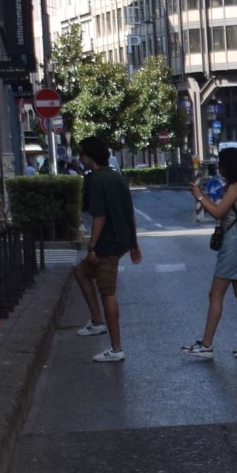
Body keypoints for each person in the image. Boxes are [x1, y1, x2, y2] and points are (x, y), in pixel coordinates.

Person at [184, 145, 237, 360]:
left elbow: (218, 212)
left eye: (221, 164)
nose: (219, 168)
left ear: (228, 165)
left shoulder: (235, 188)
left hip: (233, 246)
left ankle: (206, 344)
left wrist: (200, 197)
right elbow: (222, 212)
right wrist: (203, 196)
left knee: (215, 294)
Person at [73, 133, 141, 362]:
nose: (80, 157)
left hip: (107, 244)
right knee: (81, 272)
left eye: (81, 153)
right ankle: (96, 321)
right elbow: (129, 212)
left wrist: (92, 247)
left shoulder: (95, 180)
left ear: (88, 156)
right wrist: (133, 243)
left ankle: (116, 347)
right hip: (121, 240)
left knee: (107, 292)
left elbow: (99, 217)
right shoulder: (117, 177)